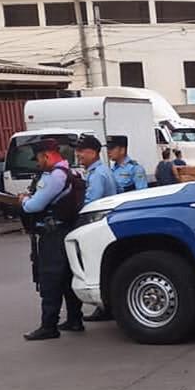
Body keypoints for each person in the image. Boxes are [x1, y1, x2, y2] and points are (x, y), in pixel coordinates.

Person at [19, 138, 84, 340]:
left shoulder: (54, 176)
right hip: (68, 231)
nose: (38, 163)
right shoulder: (71, 172)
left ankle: (49, 326)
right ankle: (74, 319)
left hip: (53, 234)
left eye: (38, 158)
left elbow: (34, 206)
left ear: (46, 155)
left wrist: (24, 200)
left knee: (50, 279)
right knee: (66, 278)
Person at [77, 134, 119, 324]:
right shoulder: (103, 171)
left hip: (98, 225)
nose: (79, 156)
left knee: (97, 266)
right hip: (107, 224)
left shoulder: (98, 175)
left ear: (93, 153)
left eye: (82, 152)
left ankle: (104, 307)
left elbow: (90, 203)